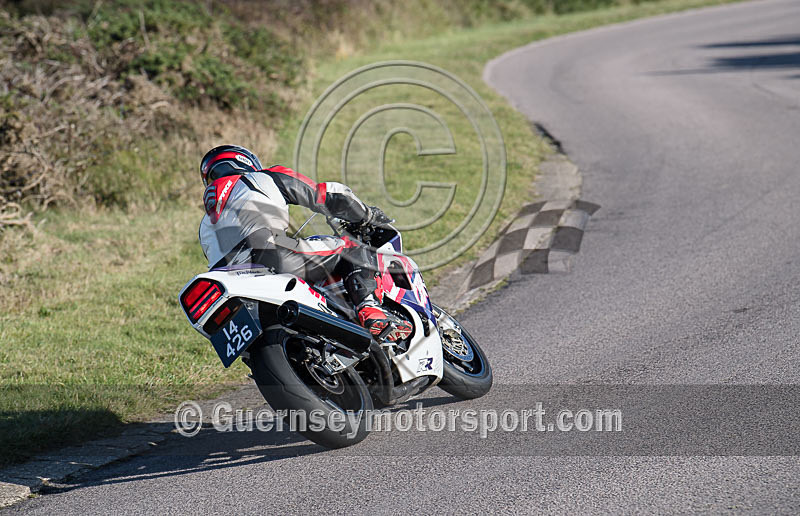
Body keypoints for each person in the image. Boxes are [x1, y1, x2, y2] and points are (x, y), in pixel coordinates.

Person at [197, 144, 412, 342]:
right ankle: (370, 309)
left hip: (233, 281)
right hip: (271, 254)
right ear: (246, 163)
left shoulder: (204, 224)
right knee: (351, 248)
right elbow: (326, 195)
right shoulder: (262, 178)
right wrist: (367, 214)